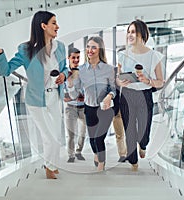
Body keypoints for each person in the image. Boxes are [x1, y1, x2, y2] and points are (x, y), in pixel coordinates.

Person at [0, 11, 68, 179]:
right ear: (43, 26)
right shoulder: (26, 50)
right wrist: (0, 54)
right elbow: (6, 71)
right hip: (37, 100)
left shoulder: (61, 47)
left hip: (55, 97)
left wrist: (64, 75)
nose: (57, 26)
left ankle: (52, 164)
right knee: (49, 137)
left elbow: (65, 68)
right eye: (53, 23)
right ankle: (49, 167)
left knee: (57, 136)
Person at [117, 19, 164, 171]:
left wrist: (148, 80)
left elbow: (161, 82)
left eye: (134, 31)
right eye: (129, 32)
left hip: (145, 95)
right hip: (127, 95)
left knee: (144, 131)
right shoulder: (123, 55)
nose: (130, 35)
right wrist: (120, 82)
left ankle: (143, 145)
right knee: (129, 130)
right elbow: (117, 78)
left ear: (142, 34)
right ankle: (133, 161)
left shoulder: (154, 56)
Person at [68, 36, 116, 172]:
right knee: (92, 139)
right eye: (88, 47)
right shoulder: (81, 70)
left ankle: (101, 165)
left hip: (105, 109)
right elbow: (74, 94)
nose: (90, 50)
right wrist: (71, 83)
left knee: (99, 139)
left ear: (100, 49)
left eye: (94, 47)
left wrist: (109, 96)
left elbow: (113, 89)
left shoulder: (109, 69)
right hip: (89, 109)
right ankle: (96, 153)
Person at [64, 47, 87, 163]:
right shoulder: (64, 73)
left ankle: (79, 151)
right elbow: (64, 92)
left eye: (78, 57)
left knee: (82, 133)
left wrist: (74, 92)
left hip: (83, 107)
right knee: (71, 134)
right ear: (68, 58)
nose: (76, 60)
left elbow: (84, 91)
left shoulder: (83, 72)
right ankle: (71, 155)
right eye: (73, 57)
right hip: (70, 107)